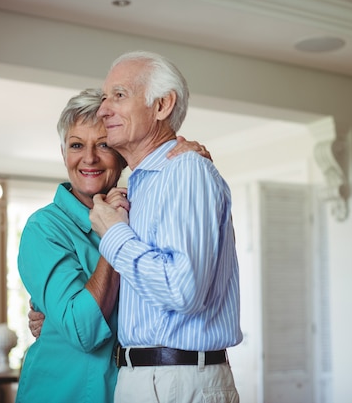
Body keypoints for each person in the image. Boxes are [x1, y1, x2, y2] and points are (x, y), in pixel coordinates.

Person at [16, 88, 211, 403]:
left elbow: (180, 286)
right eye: (76, 145)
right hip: (62, 392)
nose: (89, 158)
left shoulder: (144, 209)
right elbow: (84, 331)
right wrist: (113, 232)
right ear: (63, 153)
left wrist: (189, 165)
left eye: (103, 145)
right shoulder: (43, 229)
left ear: (121, 153)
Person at [89, 50, 242, 403]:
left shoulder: (187, 170)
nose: (103, 110)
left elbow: (182, 290)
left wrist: (113, 234)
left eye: (119, 95)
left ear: (162, 105)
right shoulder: (139, 186)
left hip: (176, 382)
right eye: (103, 98)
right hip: (148, 380)